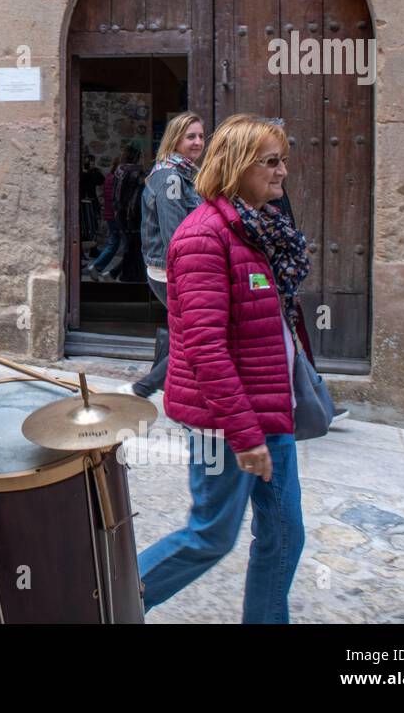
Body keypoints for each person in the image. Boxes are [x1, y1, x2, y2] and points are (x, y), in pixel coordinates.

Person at [137, 113, 310, 624]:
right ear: (238, 166)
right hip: (227, 424)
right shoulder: (203, 237)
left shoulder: (259, 228)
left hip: (271, 412)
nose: (282, 173)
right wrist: (243, 433)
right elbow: (204, 347)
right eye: (271, 162)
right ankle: (108, 599)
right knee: (211, 535)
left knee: (284, 535)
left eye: (284, 161)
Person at [120, 112, 205, 398]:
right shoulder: (170, 176)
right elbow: (176, 236)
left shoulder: (184, 173)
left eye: (201, 136)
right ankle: (141, 388)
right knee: (199, 337)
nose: (197, 142)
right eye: (190, 136)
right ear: (175, 139)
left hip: (174, 271)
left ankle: (161, 388)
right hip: (171, 272)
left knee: (185, 331)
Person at [111, 144, 146, 282]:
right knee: (133, 245)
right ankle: (129, 275)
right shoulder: (137, 172)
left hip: (120, 212)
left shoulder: (119, 170)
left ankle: (127, 275)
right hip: (132, 214)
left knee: (130, 245)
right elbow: (139, 195)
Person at [89, 154, 121, 276]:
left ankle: (98, 267)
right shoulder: (115, 179)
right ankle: (97, 267)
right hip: (114, 215)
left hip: (110, 214)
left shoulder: (109, 177)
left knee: (114, 242)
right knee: (113, 243)